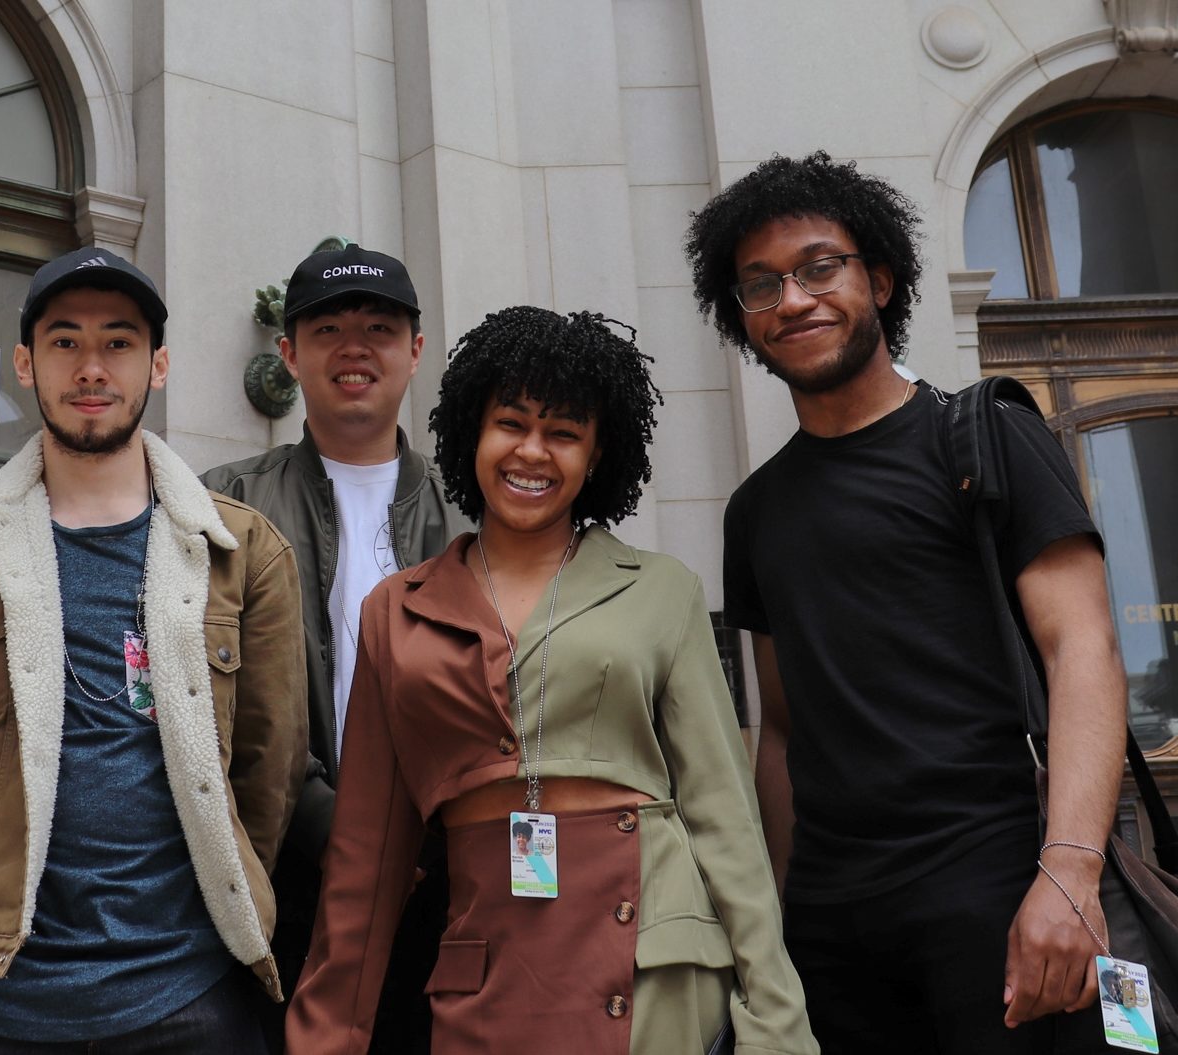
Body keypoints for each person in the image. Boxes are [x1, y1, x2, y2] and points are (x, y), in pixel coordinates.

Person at [684, 151, 1127, 1054]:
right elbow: (779, 729)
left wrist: (1070, 874)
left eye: (818, 267)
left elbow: (1083, 649)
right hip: (832, 924)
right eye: (760, 284)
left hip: (1001, 882)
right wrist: (775, 920)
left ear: (879, 279)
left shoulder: (986, 432)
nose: (793, 299)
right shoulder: (755, 511)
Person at [285, 306, 816, 1054]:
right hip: (488, 973)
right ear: (474, 430)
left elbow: (723, 818)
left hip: (654, 966)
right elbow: (365, 859)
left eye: (564, 433)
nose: (532, 452)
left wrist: (776, 1020)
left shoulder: (662, 589)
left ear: (597, 456)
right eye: (511, 424)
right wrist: (324, 1037)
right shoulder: (395, 612)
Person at [0, 247, 308, 1052]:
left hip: (189, 995)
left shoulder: (243, 550)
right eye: (65, 341)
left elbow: (269, 768)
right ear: (24, 363)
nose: (91, 367)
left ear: (158, 364)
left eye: (117, 342)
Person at [202, 243, 466, 1051]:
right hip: (290, 864)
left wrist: (427, 832)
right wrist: (335, 829)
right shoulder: (229, 499)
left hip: (451, 872)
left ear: (416, 351)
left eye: (380, 328)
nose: (355, 348)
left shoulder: (471, 508)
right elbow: (217, 697)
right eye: (328, 329)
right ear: (289, 353)